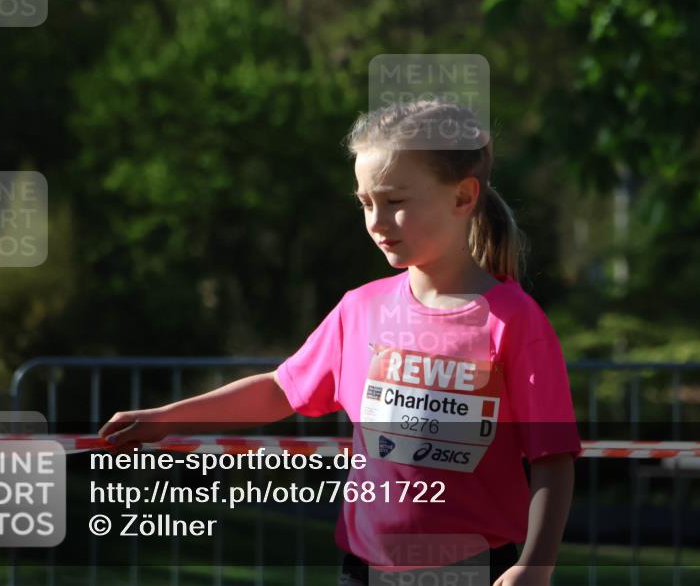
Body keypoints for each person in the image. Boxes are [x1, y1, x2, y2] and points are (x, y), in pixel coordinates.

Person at [99, 98, 582, 586]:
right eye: (366, 203)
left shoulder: (514, 322)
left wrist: (535, 566)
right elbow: (280, 390)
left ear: (462, 198)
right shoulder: (360, 309)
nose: (376, 222)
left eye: (395, 202)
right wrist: (165, 419)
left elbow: (553, 458)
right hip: (364, 570)